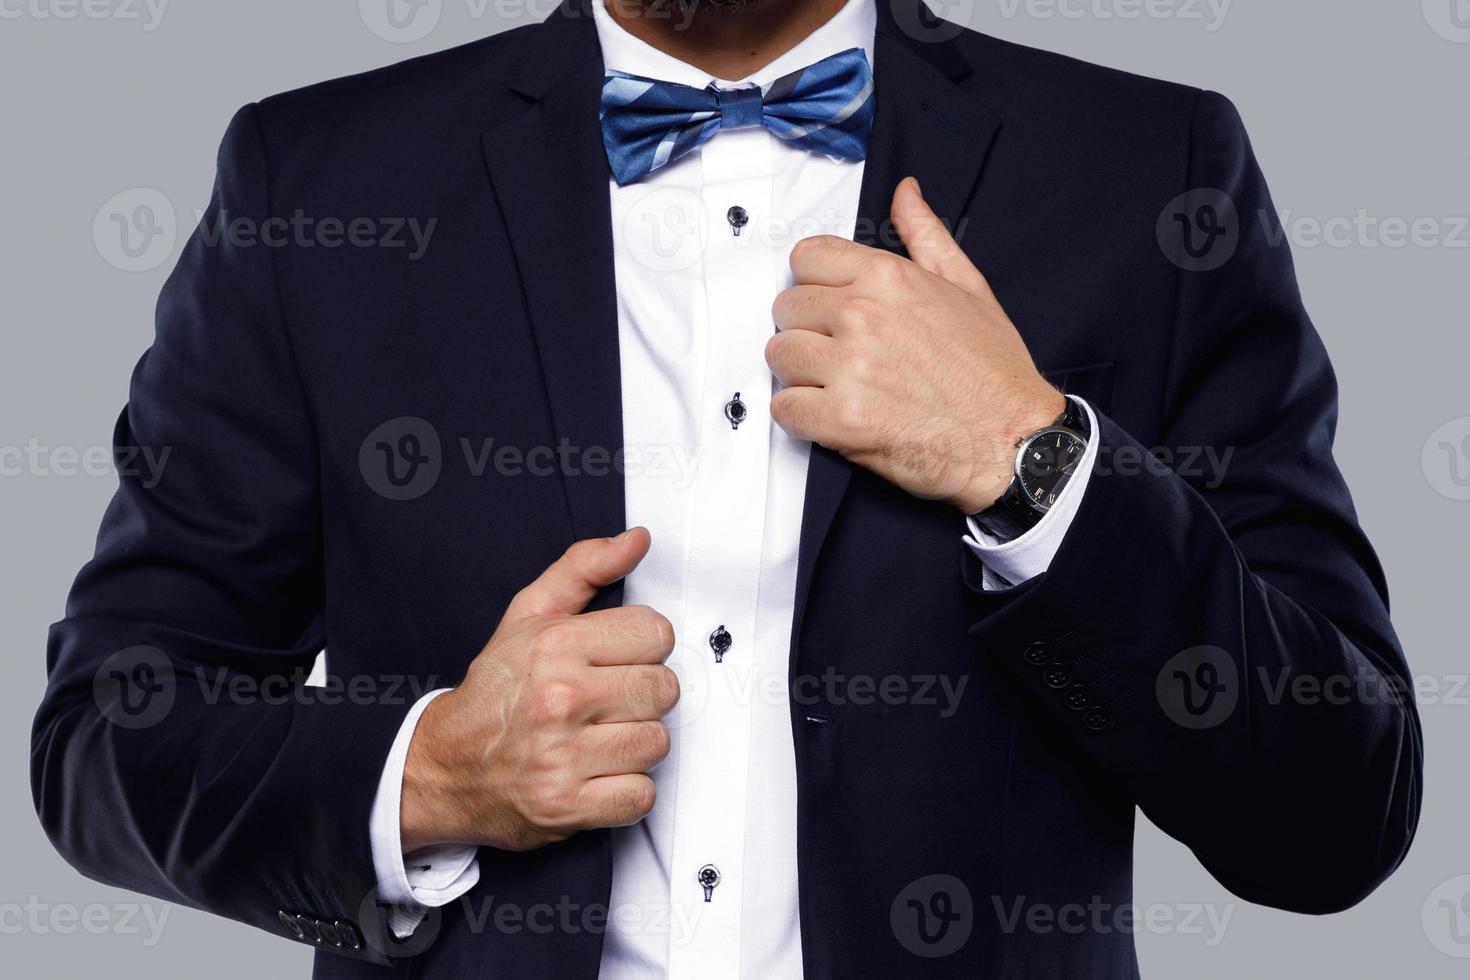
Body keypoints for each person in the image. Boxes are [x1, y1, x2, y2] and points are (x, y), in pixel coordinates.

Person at [32, 0, 1422, 977]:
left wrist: (1033, 459)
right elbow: (107, 737)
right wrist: (437, 775)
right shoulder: (314, 181)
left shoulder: (1148, 171)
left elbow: (1338, 809)